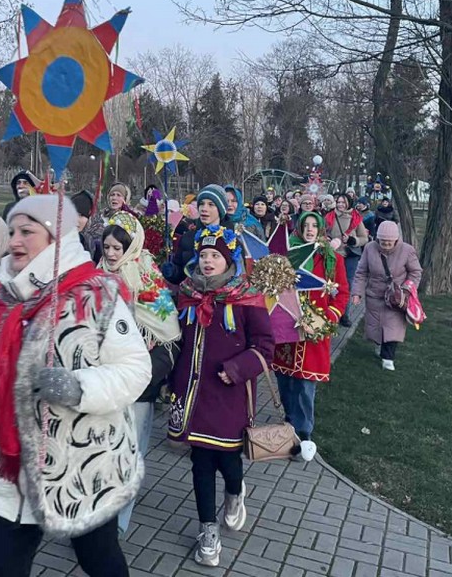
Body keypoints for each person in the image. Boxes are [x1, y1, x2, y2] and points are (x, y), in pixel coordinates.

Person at [0, 195, 150, 577]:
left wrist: (80, 387)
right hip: (7, 467)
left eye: (27, 231)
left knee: (101, 562)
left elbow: (135, 368)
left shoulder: (97, 295)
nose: (14, 240)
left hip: (82, 467)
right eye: (13, 230)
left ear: (56, 238)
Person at [168, 224, 274, 567]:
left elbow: (265, 347)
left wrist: (238, 368)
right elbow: (177, 340)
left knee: (228, 460)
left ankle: (234, 491)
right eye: (204, 255)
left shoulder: (246, 296)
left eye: (215, 255)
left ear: (229, 260)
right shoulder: (187, 293)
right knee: (200, 462)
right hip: (194, 394)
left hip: (229, 395)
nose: (208, 261)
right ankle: (208, 531)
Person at [99, 212, 181, 536]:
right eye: (107, 247)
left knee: (131, 450)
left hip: (140, 381)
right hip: (104, 378)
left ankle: (117, 523)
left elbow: (167, 329)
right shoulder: (98, 274)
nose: (111, 254)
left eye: (117, 248)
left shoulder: (146, 276)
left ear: (131, 246)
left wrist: (144, 367)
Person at [270, 211, 348, 463]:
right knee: (285, 379)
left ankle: (303, 433)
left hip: (314, 331)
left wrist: (328, 317)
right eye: (306, 225)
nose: (310, 229)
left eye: (315, 225)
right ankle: (289, 423)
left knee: (305, 384)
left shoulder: (332, 259)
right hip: (286, 331)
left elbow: (342, 293)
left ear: (322, 230)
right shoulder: (287, 255)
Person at [352, 221, 422, 370]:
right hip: (374, 295)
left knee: (393, 327)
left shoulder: (407, 250)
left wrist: (407, 289)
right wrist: (357, 292)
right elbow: (361, 272)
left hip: (396, 297)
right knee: (376, 326)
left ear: (396, 239)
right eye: (382, 241)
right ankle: (379, 344)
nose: (386, 244)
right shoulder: (370, 248)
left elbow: (416, 272)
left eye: (389, 241)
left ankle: (388, 358)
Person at [164, 184, 228, 285]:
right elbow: (180, 275)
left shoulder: (230, 240)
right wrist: (173, 272)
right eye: (201, 204)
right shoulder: (187, 238)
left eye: (211, 204)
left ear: (220, 209)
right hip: (191, 293)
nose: (204, 208)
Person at [325, 192, 369, 326]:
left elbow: (364, 238)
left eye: (343, 202)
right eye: (338, 202)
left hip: (349, 255)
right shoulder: (329, 216)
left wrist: (352, 240)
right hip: (333, 254)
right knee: (330, 283)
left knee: (347, 285)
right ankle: (329, 310)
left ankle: (344, 314)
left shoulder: (356, 218)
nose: (340, 205)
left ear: (349, 203)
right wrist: (327, 240)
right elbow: (323, 232)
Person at [71, 189, 102, 262]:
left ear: (91, 217)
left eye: (81, 215)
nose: (76, 220)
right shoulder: (65, 239)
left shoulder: (102, 243)